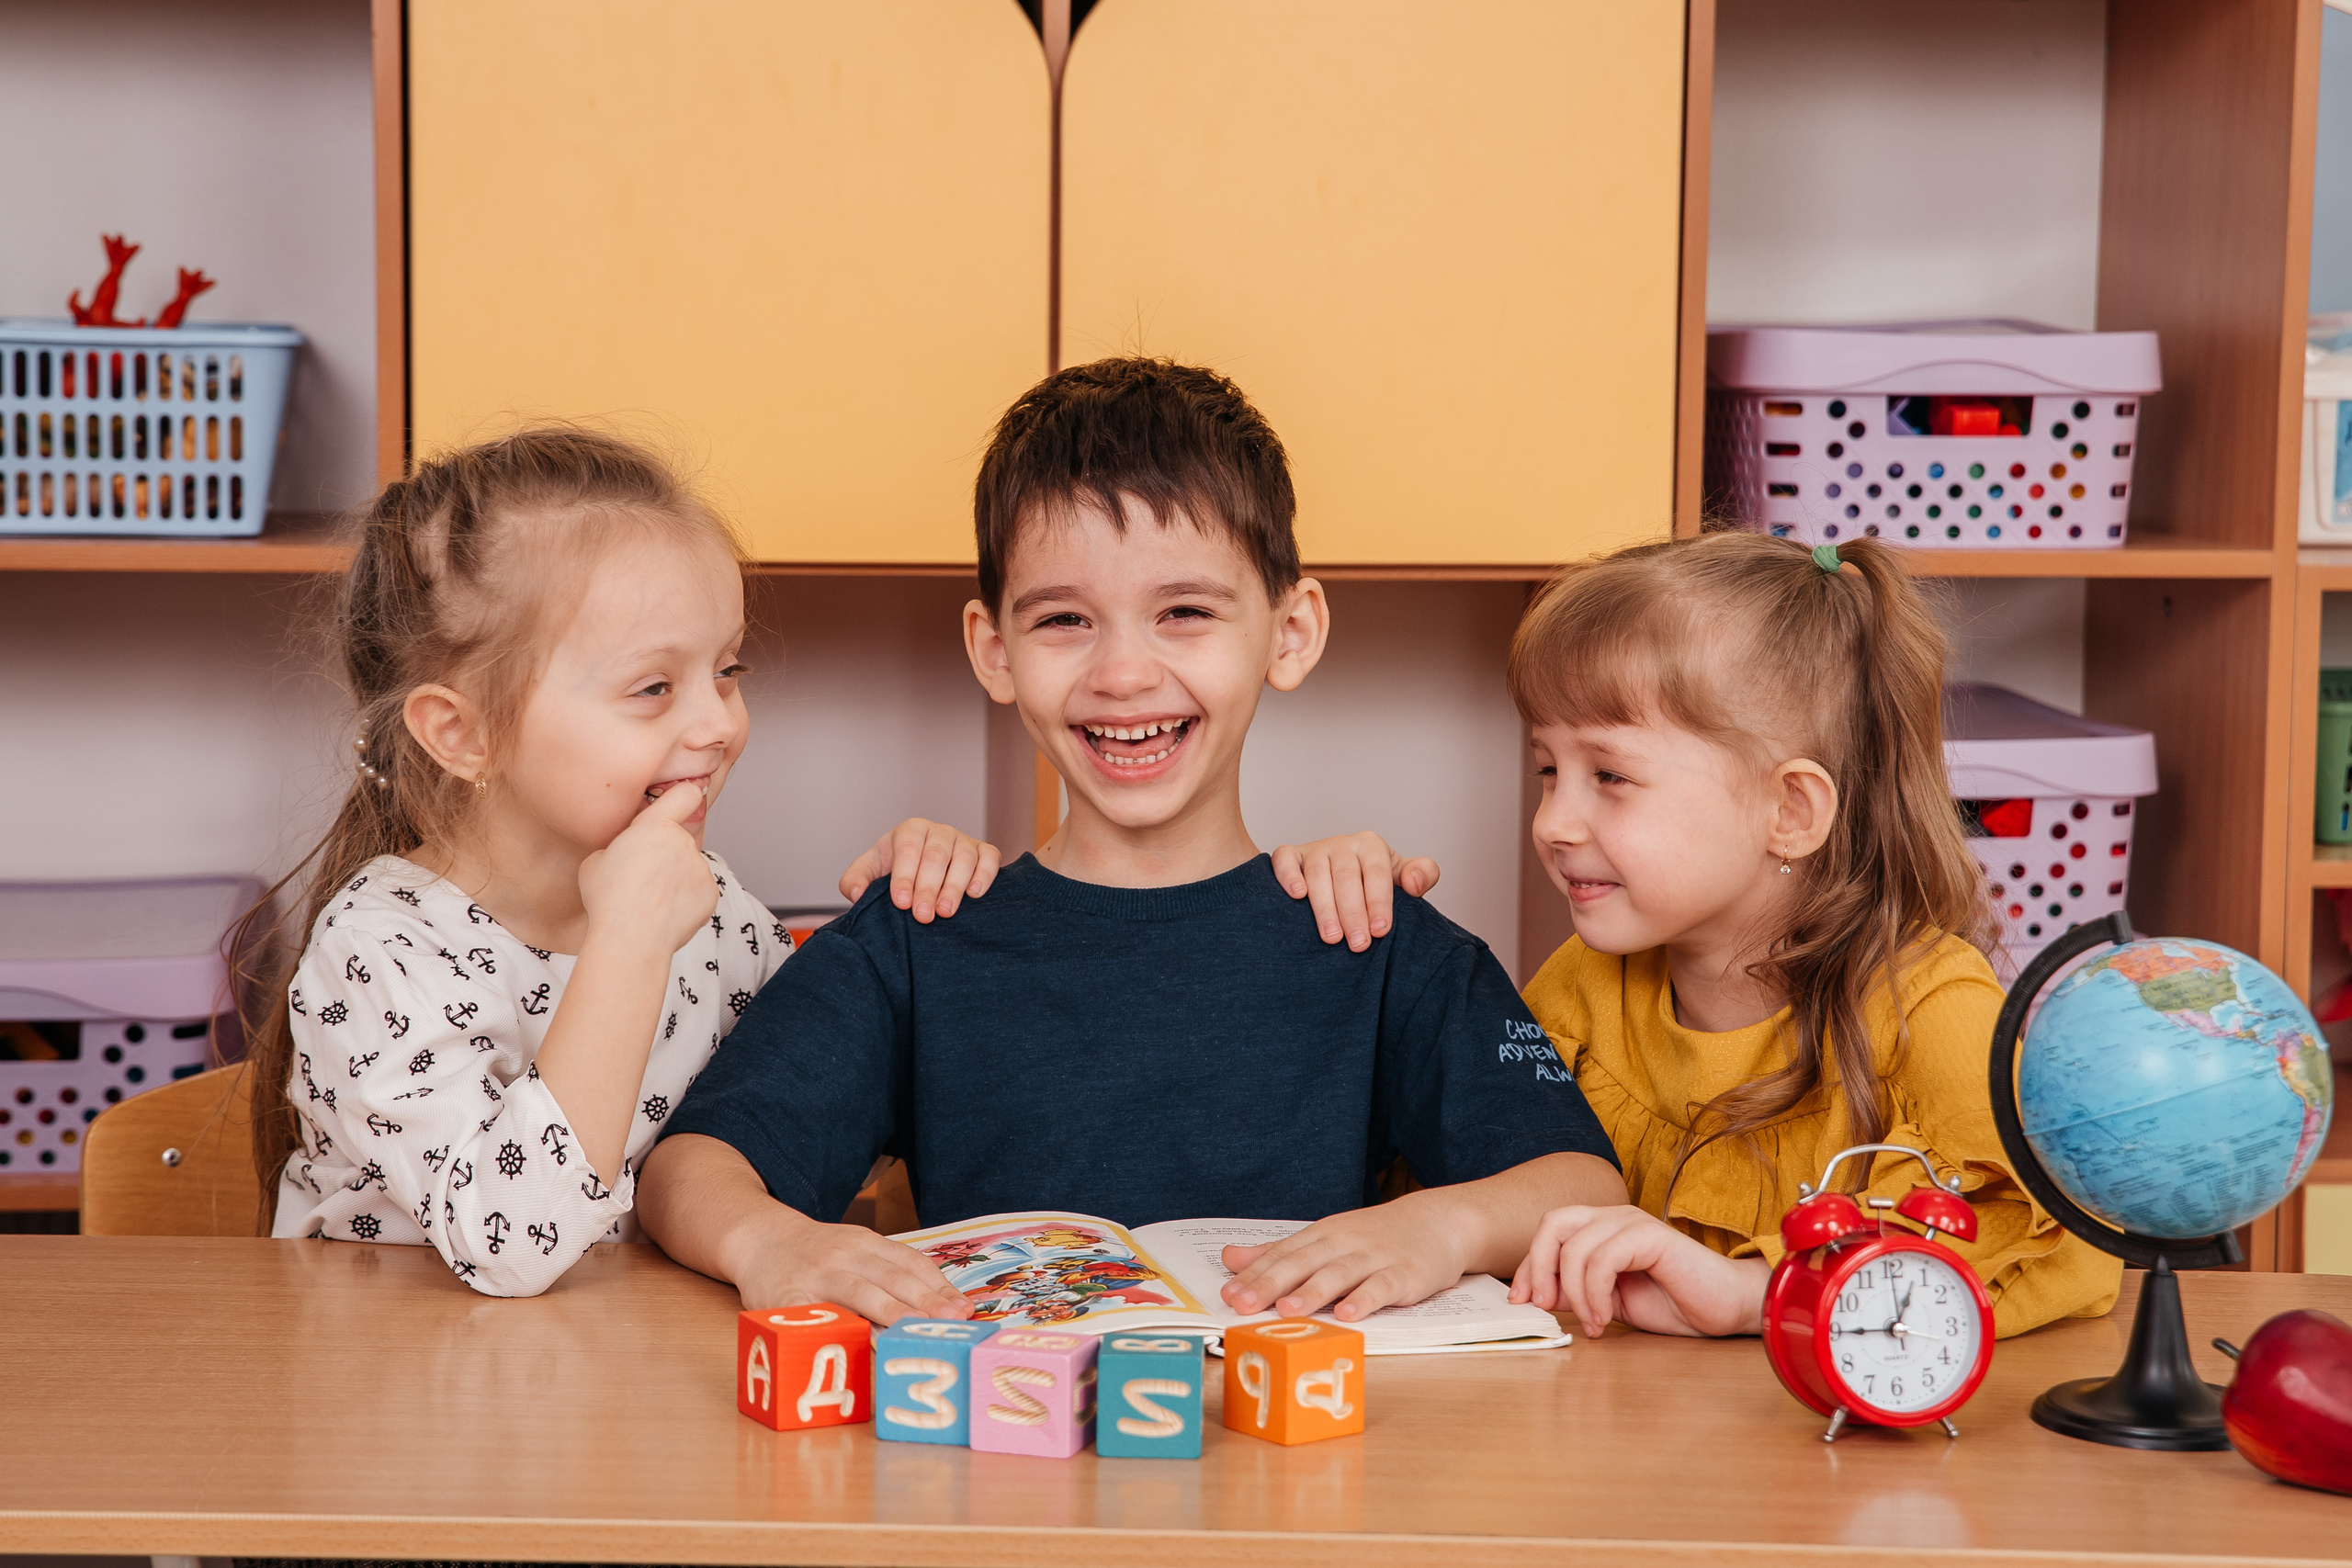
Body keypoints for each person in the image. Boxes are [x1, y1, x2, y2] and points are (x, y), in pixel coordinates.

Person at [639, 358, 1628, 1325]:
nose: (1122, 673)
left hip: (1295, 1469)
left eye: (1184, 613)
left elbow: (1580, 1181)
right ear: (995, 651)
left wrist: (1438, 1228)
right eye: (1065, 620)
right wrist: (772, 1243)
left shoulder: (1372, 933)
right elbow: (690, 1171)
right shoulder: (920, 931)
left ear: (1290, 632)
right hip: (1006, 1462)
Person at [243, 430, 1009, 1296]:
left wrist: (895, 924)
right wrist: (629, 947)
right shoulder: (378, 952)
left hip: (634, 1384)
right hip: (419, 1400)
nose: (718, 725)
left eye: (726, 670)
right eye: (653, 688)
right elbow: (511, 1248)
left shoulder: (710, 909)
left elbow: (823, 1124)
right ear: (463, 733)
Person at [1502, 533, 2121, 1340]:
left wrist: (1754, 1292)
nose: (1552, 820)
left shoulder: (1933, 1007)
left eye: (1610, 776)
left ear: (1789, 812)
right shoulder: (1580, 985)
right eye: (1548, 768)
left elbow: (2057, 1248)